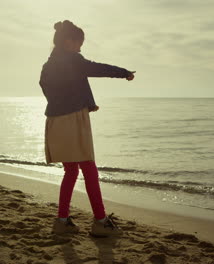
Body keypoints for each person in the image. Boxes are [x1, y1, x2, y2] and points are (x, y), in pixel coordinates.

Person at [39, 20, 135, 237]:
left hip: (54, 121)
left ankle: (62, 220)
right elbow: (97, 68)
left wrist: (82, 101)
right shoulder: (73, 60)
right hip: (73, 119)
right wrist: (124, 72)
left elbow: (49, 90)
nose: (80, 48)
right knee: (89, 169)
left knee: (71, 170)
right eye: (79, 43)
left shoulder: (47, 66)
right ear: (68, 42)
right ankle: (100, 221)